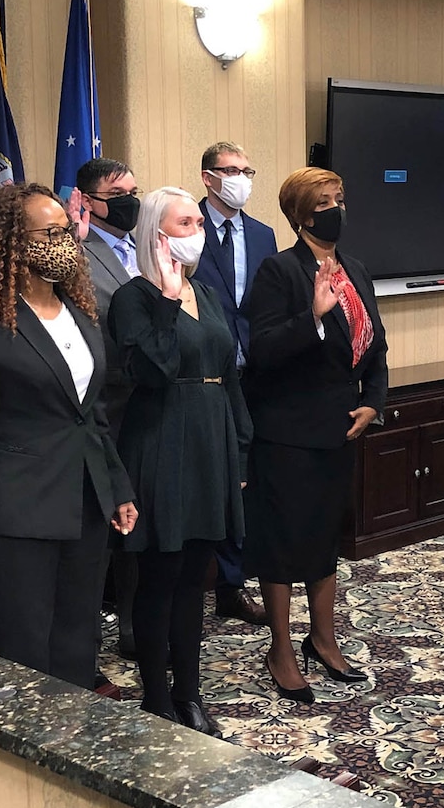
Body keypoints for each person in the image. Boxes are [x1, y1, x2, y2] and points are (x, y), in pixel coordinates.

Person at [0, 182, 137, 688]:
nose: (66, 242)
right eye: (52, 232)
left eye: (68, 231)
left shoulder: (79, 309)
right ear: (14, 241)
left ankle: (76, 750)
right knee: (26, 646)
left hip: (86, 501)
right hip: (20, 505)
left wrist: (118, 487)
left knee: (78, 638)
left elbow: (92, 415)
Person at [242, 168, 388, 703]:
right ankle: (280, 648)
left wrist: (374, 400)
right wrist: (314, 318)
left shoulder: (357, 268)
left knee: (324, 538)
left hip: (339, 428)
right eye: (324, 202)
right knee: (284, 543)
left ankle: (322, 639)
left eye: (340, 199)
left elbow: (378, 347)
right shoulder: (278, 272)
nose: (336, 210)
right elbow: (263, 352)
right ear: (302, 215)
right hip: (285, 432)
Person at [109, 187, 251, 732]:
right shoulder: (134, 298)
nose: (197, 231)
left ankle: (189, 694)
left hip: (212, 441)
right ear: (157, 233)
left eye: (198, 221)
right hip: (161, 441)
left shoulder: (208, 293)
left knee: (197, 578)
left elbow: (229, 373)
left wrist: (240, 449)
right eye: (186, 222)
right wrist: (167, 302)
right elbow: (152, 371)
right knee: (160, 575)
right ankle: (156, 695)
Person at [191, 140, 274, 627]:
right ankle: (210, 577)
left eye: (247, 170)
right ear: (208, 177)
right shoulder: (186, 227)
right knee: (215, 478)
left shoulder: (263, 235)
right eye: (231, 170)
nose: (241, 179)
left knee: (248, 481)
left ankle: (233, 583)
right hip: (205, 371)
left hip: (255, 373)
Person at [73, 156, 141, 659]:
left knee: (144, 518)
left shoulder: (149, 245)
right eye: (118, 195)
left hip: (152, 402)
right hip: (107, 405)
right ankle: (103, 629)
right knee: (109, 522)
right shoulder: (77, 248)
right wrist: (72, 242)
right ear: (90, 202)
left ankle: (140, 622)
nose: (130, 203)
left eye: (133, 192)